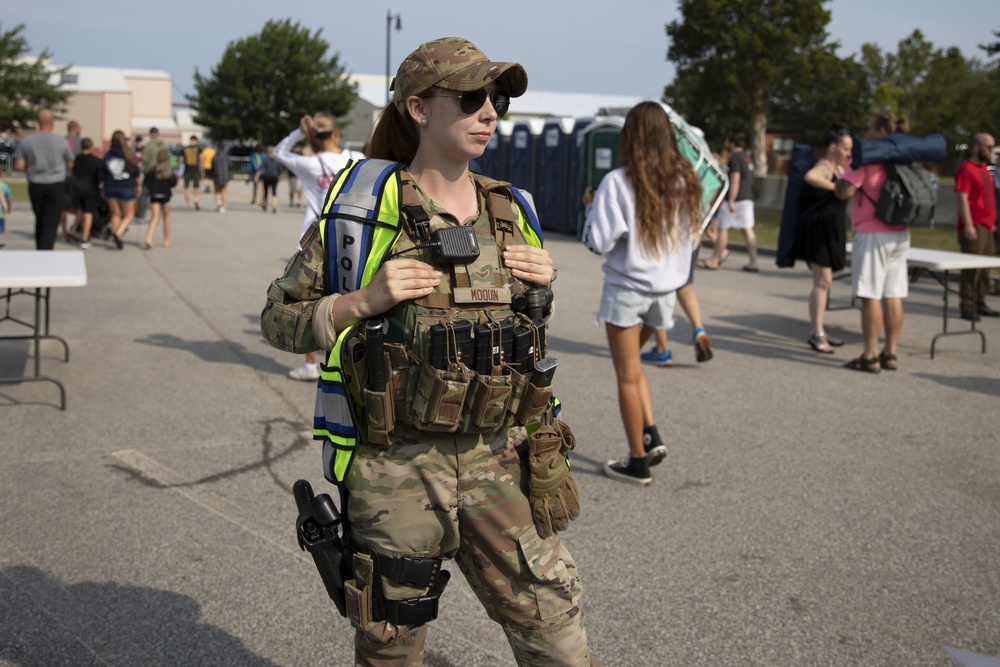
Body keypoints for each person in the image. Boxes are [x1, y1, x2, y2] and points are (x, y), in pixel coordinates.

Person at [260, 36, 599, 665]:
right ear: (418, 108)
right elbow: (279, 320)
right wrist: (362, 301)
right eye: (470, 99)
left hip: (501, 461)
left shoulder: (512, 208)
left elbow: (524, 337)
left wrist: (543, 284)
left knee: (559, 639)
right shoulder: (363, 213)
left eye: (496, 101)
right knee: (390, 648)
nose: (489, 112)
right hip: (397, 472)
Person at [581, 100, 703, 486]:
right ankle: (650, 435)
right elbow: (691, 240)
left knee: (627, 375)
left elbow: (598, 241)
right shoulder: (685, 180)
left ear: (630, 136)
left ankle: (636, 462)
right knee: (635, 368)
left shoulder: (619, 181)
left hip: (627, 291)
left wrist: (590, 208)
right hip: (664, 294)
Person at [273, 112, 366, 381]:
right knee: (351, 299)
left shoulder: (310, 165)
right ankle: (350, 363)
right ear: (336, 133)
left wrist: (300, 132)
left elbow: (279, 152)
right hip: (350, 239)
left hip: (314, 242)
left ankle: (311, 365)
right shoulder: (357, 159)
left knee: (310, 303)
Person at [834, 113, 910, 372]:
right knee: (893, 294)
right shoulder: (903, 155)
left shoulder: (867, 156)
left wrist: (842, 178)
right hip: (899, 231)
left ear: (880, 130)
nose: (864, 133)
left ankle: (870, 355)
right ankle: (890, 353)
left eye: (868, 128)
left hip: (871, 231)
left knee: (870, 295)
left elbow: (845, 190)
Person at [796, 125, 853, 352]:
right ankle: (817, 332)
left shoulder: (842, 168)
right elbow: (810, 176)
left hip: (834, 230)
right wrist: (835, 188)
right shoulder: (824, 166)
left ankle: (819, 329)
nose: (849, 153)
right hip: (817, 231)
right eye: (845, 149)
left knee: (825, 283)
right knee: (823, 281)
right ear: (832, 147)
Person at [13, 108, 74, 250]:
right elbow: (70, 163)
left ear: (37, 122)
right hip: (56, 184)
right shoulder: (61, 142)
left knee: (39, 218)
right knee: (51, 221)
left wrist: (33, 167)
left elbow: (19, 165)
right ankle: (46, 250)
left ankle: (40, 247)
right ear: (52, 123)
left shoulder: (27, 141)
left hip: (36, 184)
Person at [698, 132, 759, 272]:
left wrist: (731, 200)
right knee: (747, 230)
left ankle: (714, 260)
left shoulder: (735, 158)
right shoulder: (747, 158)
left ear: (732, 143)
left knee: (722, 229)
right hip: (747, 198)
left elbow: (735, 180)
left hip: (735, 199)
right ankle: (753, 261)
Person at [954, 133, 998, 320]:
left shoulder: (985, 169)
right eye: (988, 147)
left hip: (987, 225)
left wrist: (992, 223)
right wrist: (969, 224)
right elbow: (962, 198)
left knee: (985, 267)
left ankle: (980, 301)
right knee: (972, 267)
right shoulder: (967, 169)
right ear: (976, 147)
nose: (991, 151)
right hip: (975, 224)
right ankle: (967, 305)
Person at [100, 130, 141, 249]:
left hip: (110, 186)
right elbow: (136, 173)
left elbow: (101, 173)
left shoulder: (107, 155)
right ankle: (117, 234)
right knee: (129, 214)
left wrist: (103, 186)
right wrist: (138, 185)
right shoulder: (128, 154)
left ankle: (115, 242)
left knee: (115, 214)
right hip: (126, 186)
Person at [68, 137, 103, 248]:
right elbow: (99, 176)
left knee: (80, 210)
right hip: (90, 189)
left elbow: (73, 172)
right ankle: (84, 238)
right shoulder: (96, 161)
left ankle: (73, 229)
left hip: (77, 189)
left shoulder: (77, 159)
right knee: (88, 213)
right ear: (91, 147)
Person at [144, 148, 177, 249]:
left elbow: (146, 182)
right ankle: (166, 240)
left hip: (154, 195)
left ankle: (149, 238)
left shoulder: (152, 170)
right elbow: (173, 183)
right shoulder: (169, 171)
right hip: (166, 195)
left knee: (154, 217)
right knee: (166, 217)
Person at [60, 120, 84, 242]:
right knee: (80, 206)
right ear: (75, 129)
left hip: (61, 177)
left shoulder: (61, 141)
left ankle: (64, 233)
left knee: (63, 207)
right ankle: (74, 228)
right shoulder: (79, 142)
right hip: (75, 178)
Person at [254, 145, 282, 214]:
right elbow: (279, 169)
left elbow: (260, 168)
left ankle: (265, 205)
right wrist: (279, 176)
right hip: (274, 176)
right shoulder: (276, 160)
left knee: (266, 192)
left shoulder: (265, 159)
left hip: (266, 176)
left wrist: (256, 176)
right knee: (274, 192)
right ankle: (274, 206)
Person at [180, 135, 202, 210]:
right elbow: (201, 159)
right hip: (195, 169)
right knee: (196, 187)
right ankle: (196, 199)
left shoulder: (185, 149)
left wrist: (179, 169)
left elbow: (181, 159)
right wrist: (202, 170)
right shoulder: (198, 149)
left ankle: (188, 203)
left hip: (187, 169)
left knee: (187, 187)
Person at [211, 143, 230, 212]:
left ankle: (218, 201)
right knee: (224, 191)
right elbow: (230, 165)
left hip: (217, 175)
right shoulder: (226, 156)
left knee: (217, 191)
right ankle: (222, 207)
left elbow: (212, 166)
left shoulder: (215, 156)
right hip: (225, 175)